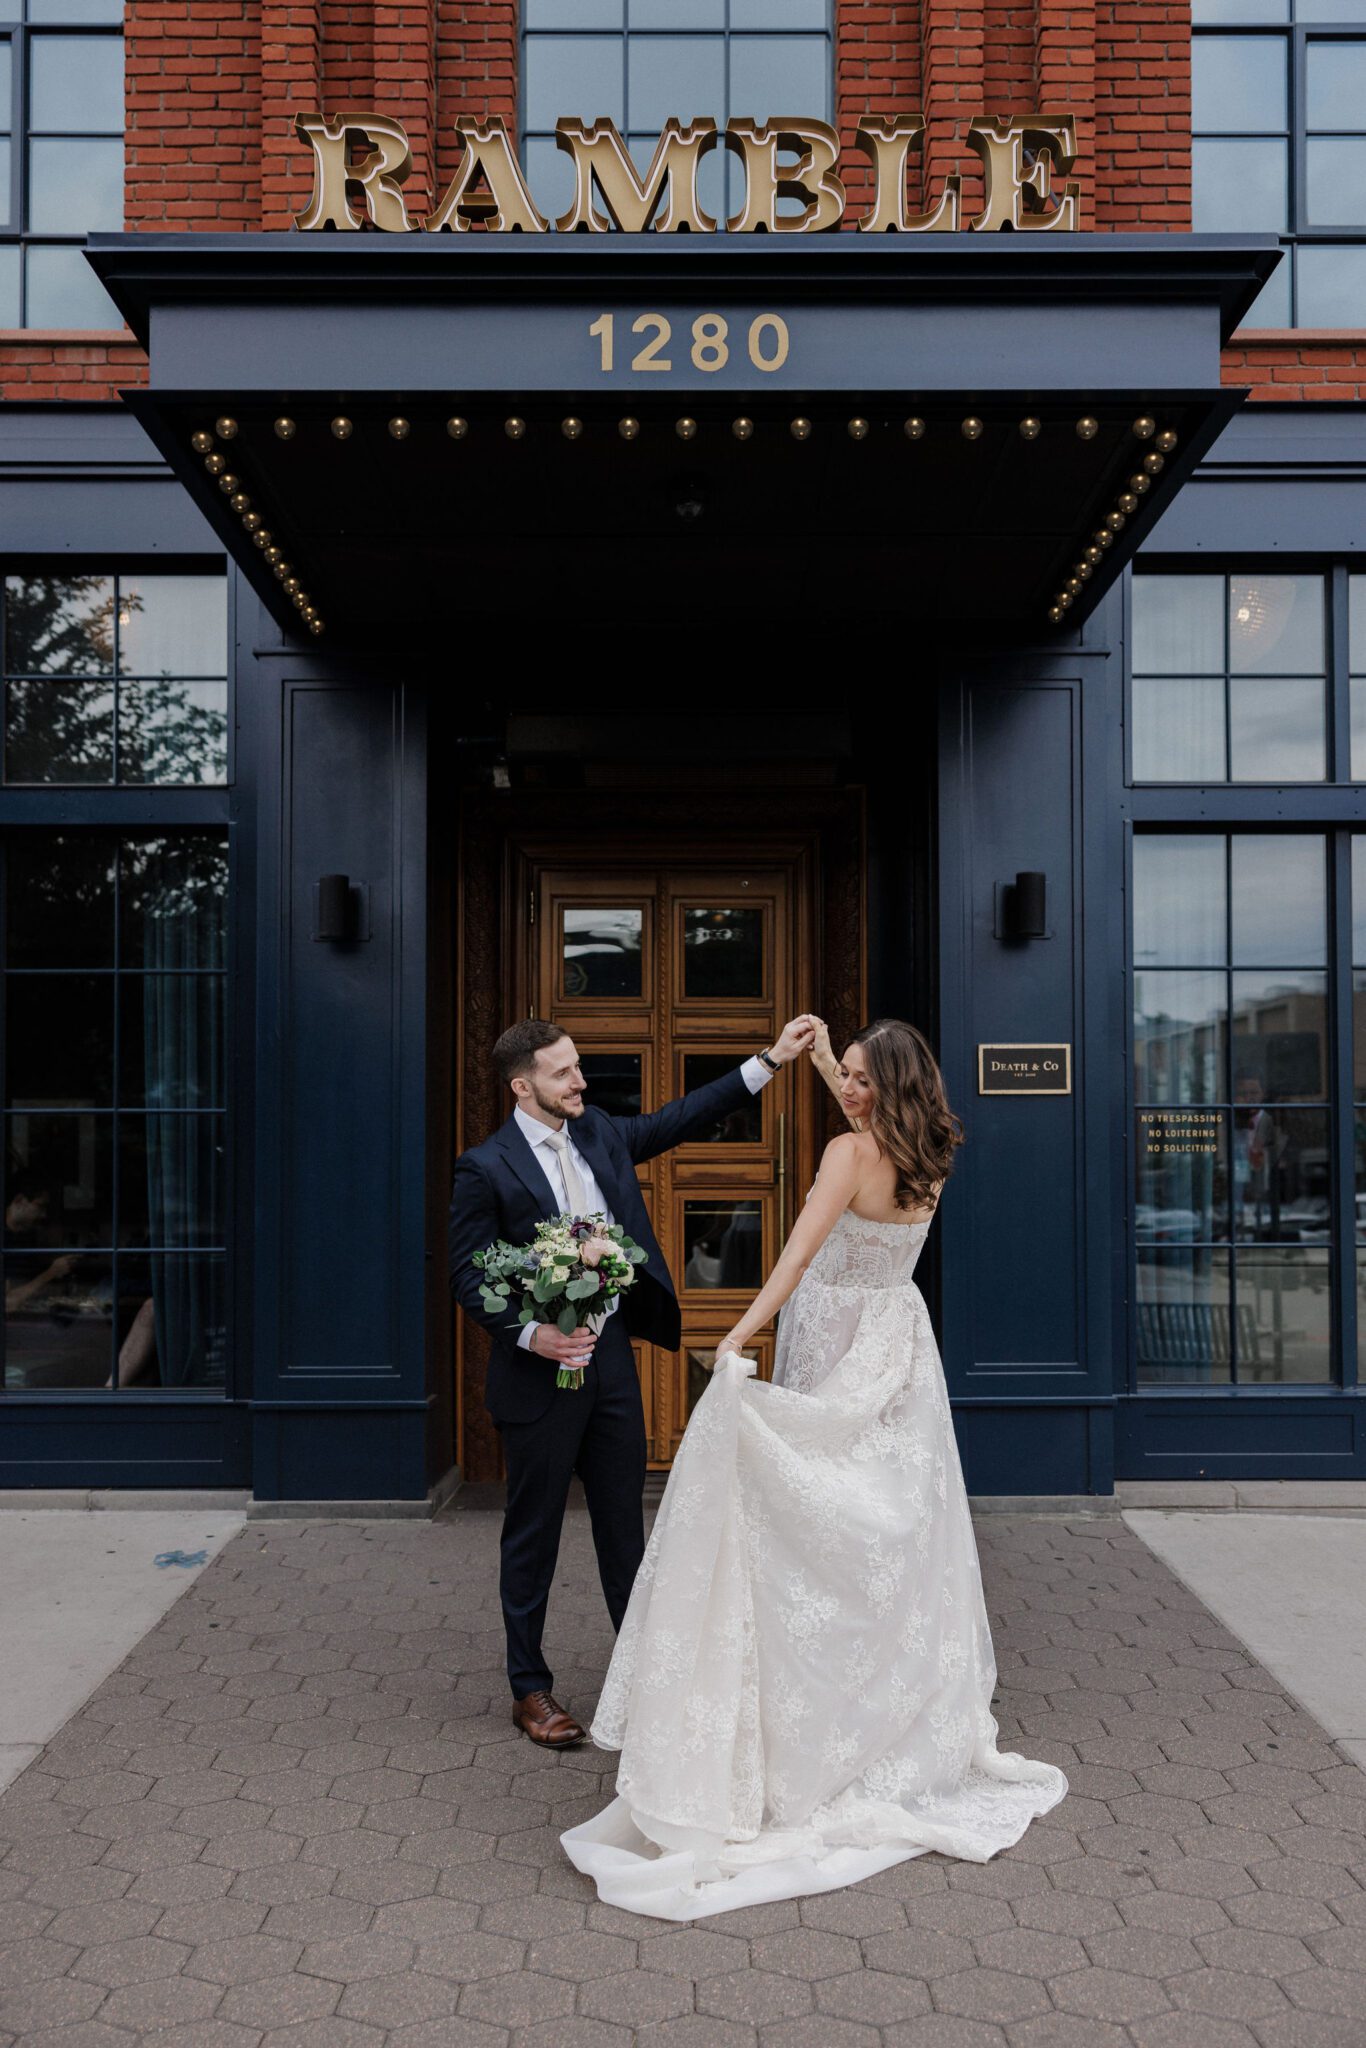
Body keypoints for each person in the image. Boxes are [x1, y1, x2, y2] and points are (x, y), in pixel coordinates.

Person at [563, 1018, 1068, 1919]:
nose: (851, 1088)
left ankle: (800, 1729)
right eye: (852, 1076)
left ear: (891, 1086)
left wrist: (738, 1335)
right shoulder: (932, 1148)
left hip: (835, 1332)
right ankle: (880, 1710)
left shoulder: (848, 1154)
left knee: (802, 1519)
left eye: (865, 1079)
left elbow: (796, 1255)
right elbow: (861, 1100)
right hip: (898, 1343)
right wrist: (827, 1048)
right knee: (885, 1528)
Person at [448, 1012, 818, 1749]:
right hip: (538, 1371)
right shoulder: (484, 1167)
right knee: (534, 1533)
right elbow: (468, 1273)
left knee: (627, 1527)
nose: (579, 1079)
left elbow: (682, 1117)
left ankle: (647, 1674)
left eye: (577, 1065)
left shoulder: (600, 1133)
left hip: (611, 1361)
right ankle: (530, 1689)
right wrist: (533, 1333)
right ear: (524, 1087)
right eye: (562, 1072)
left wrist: (771, 1059)